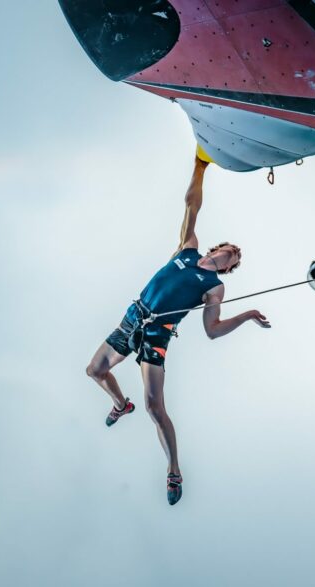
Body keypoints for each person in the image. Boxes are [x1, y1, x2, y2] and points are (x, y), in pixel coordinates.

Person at [85, 153, 271, 505]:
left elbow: (212, 330)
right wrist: (199, 167)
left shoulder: (214, 286)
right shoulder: (186, 249)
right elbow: (191, 204)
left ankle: (173, 468)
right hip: (133, 319)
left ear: (229, 268)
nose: (230, 255)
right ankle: (121, 405)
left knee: (155, 407)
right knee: (94, 370)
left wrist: (246, 315)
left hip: (157, 335)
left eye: (233, 259)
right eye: (229, 250)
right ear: (218, 247)